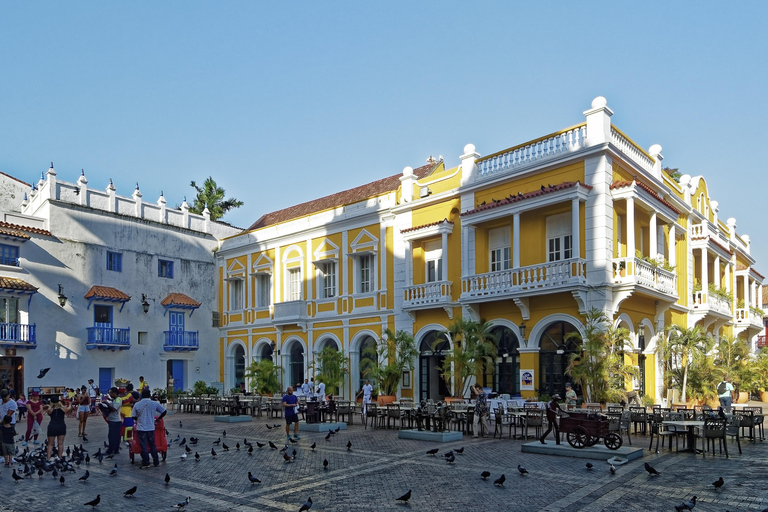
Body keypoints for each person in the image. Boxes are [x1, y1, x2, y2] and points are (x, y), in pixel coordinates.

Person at [131, 388, 167, 469]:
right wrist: (158, 419)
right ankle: (156, 461)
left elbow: (133, 416)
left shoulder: (137, 404)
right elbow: (164, 411)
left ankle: (146, 463)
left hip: (141, 428)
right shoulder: (154, 403)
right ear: (150, 395)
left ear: (141, 396)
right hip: (151, 427)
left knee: (143, 446)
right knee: (152, 445)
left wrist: (139, 420)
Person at [44, 396, 71, 460]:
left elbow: (48, 412)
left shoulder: (49, 409)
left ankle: (48, 458)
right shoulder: (63, 408)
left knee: (50, 444)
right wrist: (70, 404)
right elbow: (69, 409)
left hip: (52, 426)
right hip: (61, 426)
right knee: (60, 443)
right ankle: (59, 457)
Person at [102, 387, 123, 455]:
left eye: (110, 392)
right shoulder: (114, 400)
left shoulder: (118, 400)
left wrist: (107, 404)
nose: (109, 394)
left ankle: (111, 450)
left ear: (114, 393)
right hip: (113, 420)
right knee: (116, 436)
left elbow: (114, 408)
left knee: (112, 436)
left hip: (115, 421)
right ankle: (115, 449)